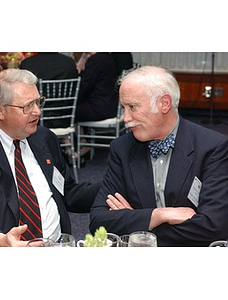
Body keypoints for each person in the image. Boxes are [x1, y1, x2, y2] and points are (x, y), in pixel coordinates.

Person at [0, 68, 100, 247]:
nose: (38, 111)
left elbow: (66, 192)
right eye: (28, 106)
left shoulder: (44, 138)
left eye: (38, 102)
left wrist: (115, 186)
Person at [89, 66, 228, 247]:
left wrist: (137, 223)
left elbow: (212, 227)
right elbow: (99, 221)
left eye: (132, 107)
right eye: (123, 107)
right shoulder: (122, 148)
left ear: (164, 104)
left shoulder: (212, 148)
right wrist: (158, 215)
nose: (126, 118)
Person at [74, 52, 118, 122]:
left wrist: (78, 69)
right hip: (110, 106)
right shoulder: (107, 57)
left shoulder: (95, 60)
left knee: (68, 110)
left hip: (99, 108)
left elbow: (84, 87)